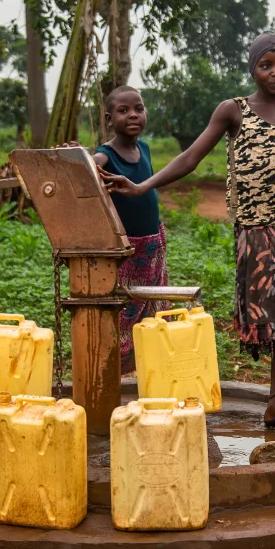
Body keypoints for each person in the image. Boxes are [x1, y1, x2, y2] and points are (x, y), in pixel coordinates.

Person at [100, 34, 275, 444]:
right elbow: (189, 159)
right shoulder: (233, 111)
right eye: (266, 65)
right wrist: (143, 187)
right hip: (258, 234)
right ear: (252, 69)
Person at [93, 85, 169, 375]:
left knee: (153, 304)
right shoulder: (105, 155)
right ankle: (117, 372)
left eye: (138, 108)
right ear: (110, 119)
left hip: (153, 244)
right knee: (126, 310)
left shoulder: (144, 148)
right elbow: (90, 166)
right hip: (127, 249)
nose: (133, 115)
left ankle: (147, 366)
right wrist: (80, 158)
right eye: (123, 111)